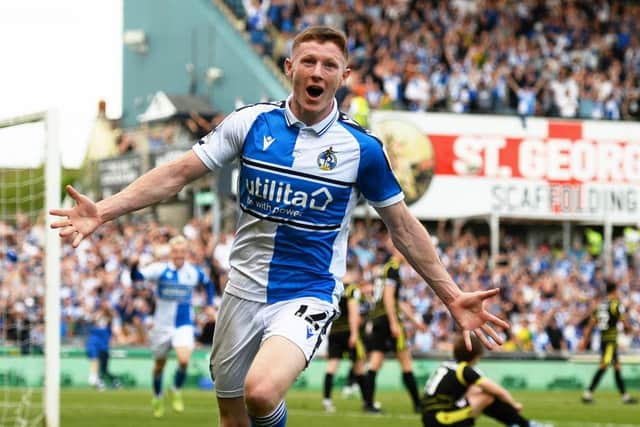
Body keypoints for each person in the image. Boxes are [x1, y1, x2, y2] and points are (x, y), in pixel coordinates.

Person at [50, 26, 508, 427]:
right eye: (308, 61)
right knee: (232, 418)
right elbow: (177, 173)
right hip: (242, 291)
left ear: (342, 78)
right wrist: (104, 210)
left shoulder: (362, 149)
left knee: (262, 392)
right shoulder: (250, 124)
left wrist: (450, 295)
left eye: (330, 65)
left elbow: (403, 228)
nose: (318, 71)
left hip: (307, 290)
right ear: (290, 67)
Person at [130, 235, 215, 417]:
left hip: (183, 324)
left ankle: (175, 389)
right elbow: (137, 277)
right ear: (171, 252)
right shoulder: (160, 270)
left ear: (186, 253)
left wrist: (209, 303)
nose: (179, 254)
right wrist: (133, 265)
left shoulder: (193, 272)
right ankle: (158, 396)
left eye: (182, 251)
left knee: (184, 360)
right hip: (161, 326)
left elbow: (208, 284)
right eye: (176, 251)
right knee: (159, 366)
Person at [421, 334, 552, 427]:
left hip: (430, 416)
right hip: (441, 420)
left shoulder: (448, 365)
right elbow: (498, 391)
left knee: (478, 390)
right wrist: (513, 404)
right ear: (475, 356)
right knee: (486, 396)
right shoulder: (465, 370)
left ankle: (518, 424)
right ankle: (524, 424)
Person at [362, 239, 428, 413]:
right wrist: (393, 323)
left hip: (377, 319)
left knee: (375, 361)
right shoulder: (393, 269)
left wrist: (415, 322)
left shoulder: (383, 269)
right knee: (405, 361)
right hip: (386, 320)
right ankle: (418, 404)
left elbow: (396, 302)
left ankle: (368, 404)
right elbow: (389, 298)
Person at [580, 279, 638, 405]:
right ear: (615, 290)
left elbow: (591, 325)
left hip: (603, 339)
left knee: (617, 367)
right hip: (610, 340)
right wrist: (631, 330)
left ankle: (625, 396)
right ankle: (588, 393)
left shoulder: (600, 305)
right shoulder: (615, 305)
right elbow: (625, 324)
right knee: (604, 365)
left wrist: (584, 341)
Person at [322, 260, 368, 412]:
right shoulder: (353, 289)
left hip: (334, 331)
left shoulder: (336, 287)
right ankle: (367, 402)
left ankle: (327, 401)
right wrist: (355, 334)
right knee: (359, 365)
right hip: (348, 332)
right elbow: (353, 313)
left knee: (332, 366)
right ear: (353, 272)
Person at [85, 296, 125, 390]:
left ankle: (113, 382)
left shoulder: (109, 317)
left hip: (104, 347)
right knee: (101, 367)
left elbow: (112, 316)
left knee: (104, 369)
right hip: (98, 346)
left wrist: (106, 310)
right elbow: (91, 319)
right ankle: (103, 384)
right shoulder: (97, 316)